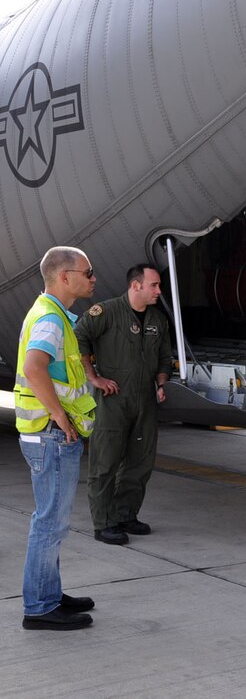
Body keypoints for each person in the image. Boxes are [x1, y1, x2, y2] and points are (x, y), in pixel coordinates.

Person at [16, 246, 98, 630]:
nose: (93, 278)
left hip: (47, 435)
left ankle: (49, 593)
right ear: (65, 277)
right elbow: (35, 368)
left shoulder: (52, 315)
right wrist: (60, 417)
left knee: (53, 521)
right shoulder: (50, 318)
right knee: (50, 522)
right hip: (50, 435)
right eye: (87, 272)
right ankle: (40, 606)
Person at [75, 264, 173, 546]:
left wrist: (162, 383)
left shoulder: (158, 319)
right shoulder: (105, 313)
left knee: (140, 463)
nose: (159, 291)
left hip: (145, 401)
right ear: (135, 286)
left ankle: (125, 515)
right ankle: (103, 523)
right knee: (105, 463)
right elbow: (78, 338)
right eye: (154, 285)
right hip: (112, 401)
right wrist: (93, 377)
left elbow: (165, 357)